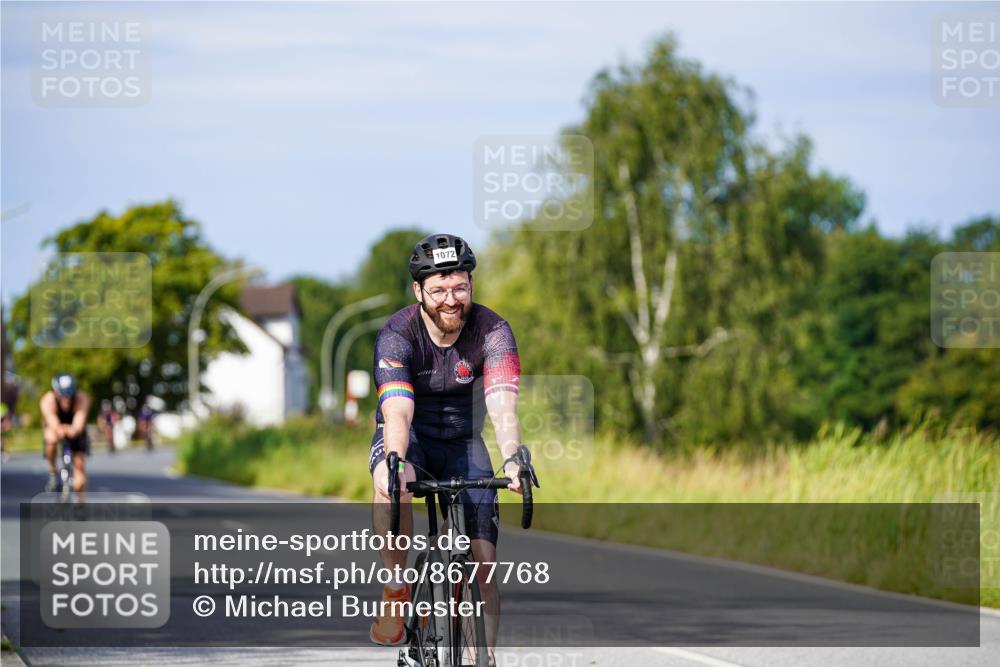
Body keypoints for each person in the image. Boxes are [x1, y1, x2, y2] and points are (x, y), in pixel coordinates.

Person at [369, 233, 523, 661]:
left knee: (485, 563)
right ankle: (397, 586)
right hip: (412, 435)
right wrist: (395, 463)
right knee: (392, 480)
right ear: (419, 291)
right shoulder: (397, 334)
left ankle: (484, 658)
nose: (450, 299)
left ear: (471, 285)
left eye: (459, 287)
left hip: (464, 442)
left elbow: (503, 405)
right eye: (438, 290)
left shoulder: (494, 330)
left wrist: (513, 458)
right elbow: (397, 413)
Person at [40, 373, 90, 494]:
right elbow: (51, 420)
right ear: (56, 391)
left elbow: (80, 420)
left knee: (80, 469)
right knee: (50, 439)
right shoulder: (47, 400)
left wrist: (74, 430)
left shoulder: (82, 398)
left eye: (69, 393)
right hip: (56, 426)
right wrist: (59, 429)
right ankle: (52, 471)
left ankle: (80, 503)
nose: (66, 397)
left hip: (74, 428)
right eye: (63, 393)